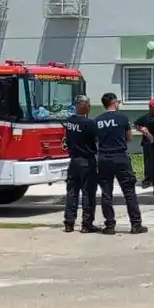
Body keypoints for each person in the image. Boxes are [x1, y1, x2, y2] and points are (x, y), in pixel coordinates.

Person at [93, 91, 146, 234]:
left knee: (106, 193)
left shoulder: (97, 121)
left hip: (104, 158)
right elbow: (129, 138)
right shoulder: (122, 118)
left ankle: (110, 226)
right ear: (113, 102)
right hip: (120, 156)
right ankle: (136, 224)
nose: (119, 104)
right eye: (118, 102)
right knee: (129, 191)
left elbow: (95, 139)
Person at [60, 93, 99, 233]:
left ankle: (69, 222)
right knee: (88, 193)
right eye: (88, 105)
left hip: (74, 160)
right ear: (84, 106)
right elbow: (96, 140)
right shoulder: (89, 123)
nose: (90, 107)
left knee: (72, 192)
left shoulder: (68, 121)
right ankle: (86, 224)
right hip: (87, 160)